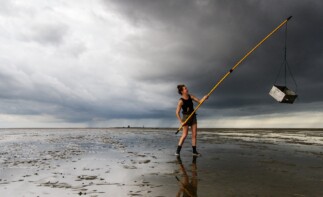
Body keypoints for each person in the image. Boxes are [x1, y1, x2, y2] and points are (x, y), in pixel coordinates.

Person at [175, 84, 208, 156]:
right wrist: (181, 122)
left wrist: (204, 98)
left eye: (186, 88)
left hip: (193, 116)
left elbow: (200, 101)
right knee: (184, 135)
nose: (187, 89)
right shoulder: (181, 101)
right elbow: (177, 113)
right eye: (185, 89)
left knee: (194, 134)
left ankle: (194, 151)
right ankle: (177, 151)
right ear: (182, 91)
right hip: (186, 118)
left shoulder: (191, 96)